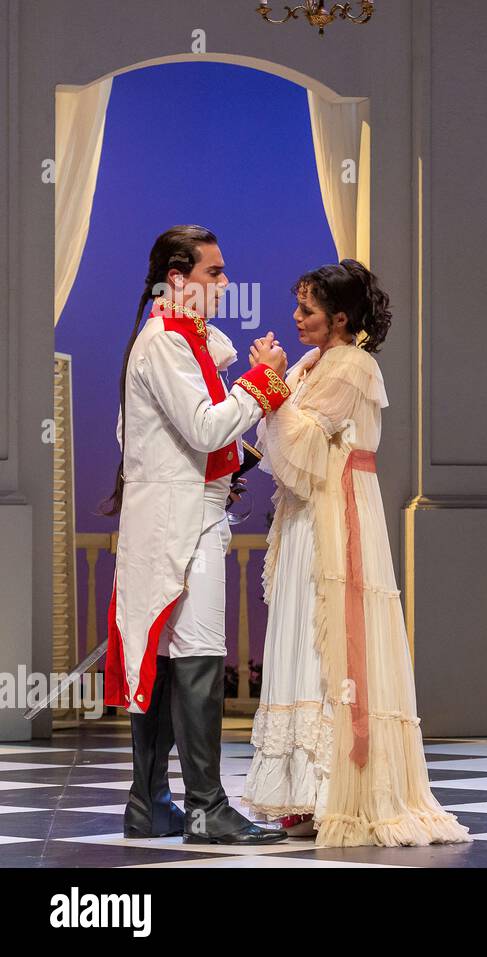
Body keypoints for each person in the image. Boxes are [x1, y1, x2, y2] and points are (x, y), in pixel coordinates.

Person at [242, 260, 470, 846]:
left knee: (335, 642)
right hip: (306, 512)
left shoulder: (353, 365)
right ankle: (304, 790)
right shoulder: (314, 362)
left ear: (340, 317)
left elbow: (304, 446)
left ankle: (339, 788)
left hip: (337, 511)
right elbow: (286, 442)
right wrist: (272, 381)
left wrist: (268, 383)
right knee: (301, 636)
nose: (295, 318)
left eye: (308, 310)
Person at [104, 225, 290, 845]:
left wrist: (247, 377)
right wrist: (264, 382)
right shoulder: (163, 343)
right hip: (181, 518)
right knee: (200, 654)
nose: (226, 284)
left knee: (169, 652)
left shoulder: (178, 340)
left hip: (182, 511)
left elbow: (206, 425)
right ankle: (204, 805)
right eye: (215, 273)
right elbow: (208, 428)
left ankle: (151, 802)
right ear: (179, 280)